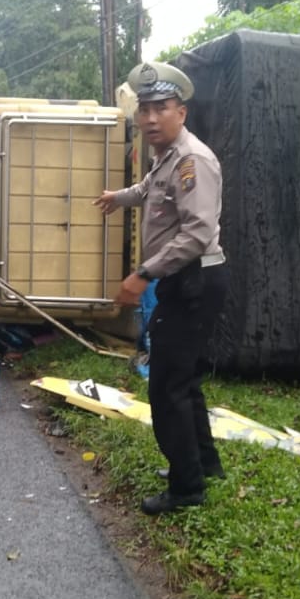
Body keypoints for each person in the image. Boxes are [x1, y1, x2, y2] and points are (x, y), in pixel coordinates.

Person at [94, 61, 228, 516]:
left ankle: (187, 486)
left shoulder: (193, 161)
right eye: (144, 109)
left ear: (181, 112)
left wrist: (143, 274)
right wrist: (119, 196)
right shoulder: (167, 157)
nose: (150, 118)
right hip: (185, 280)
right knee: (184, 380)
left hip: (191, 281)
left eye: (161, 108)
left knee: (167, 385)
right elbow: (150, 189)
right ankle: (203, 464)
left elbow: (194, 234)